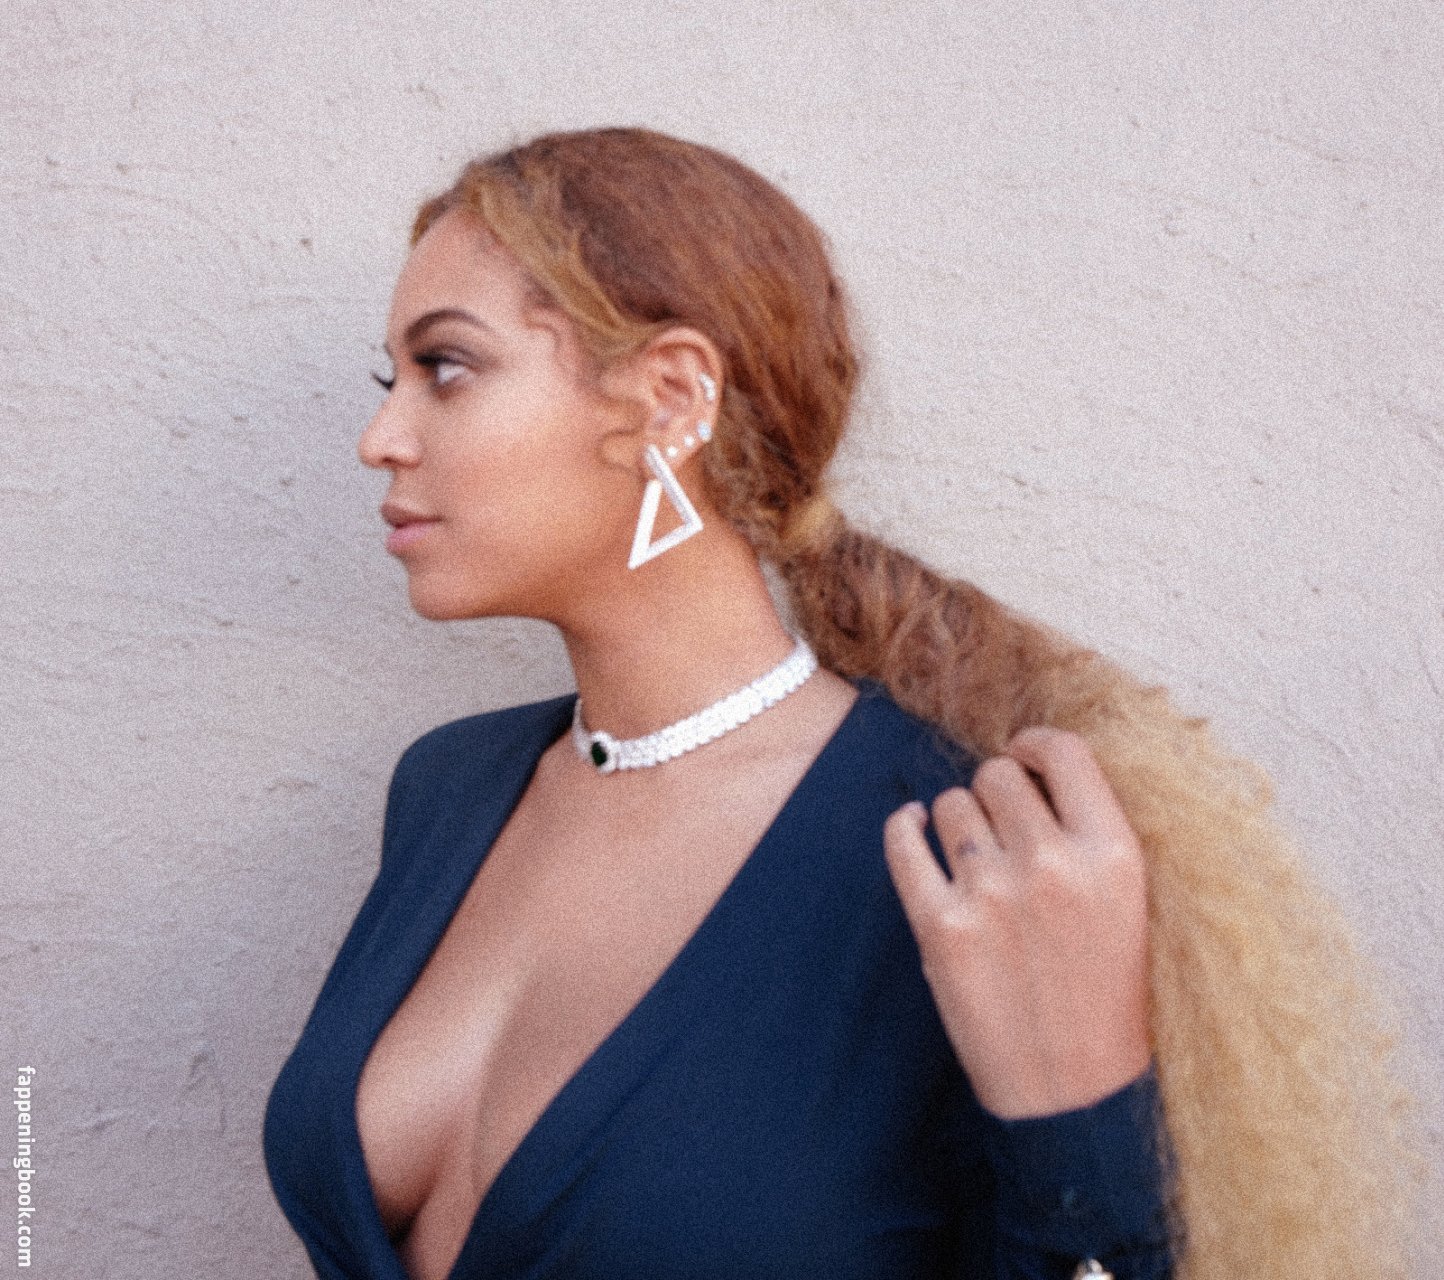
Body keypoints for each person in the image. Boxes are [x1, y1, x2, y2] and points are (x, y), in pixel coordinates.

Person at [262, 127, 1427, 1280]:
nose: (380, 438)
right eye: (390, 379)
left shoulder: (959, 842)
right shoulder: (450, 788)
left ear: (670, 396)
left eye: (446, 367)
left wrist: (1079, 1115)